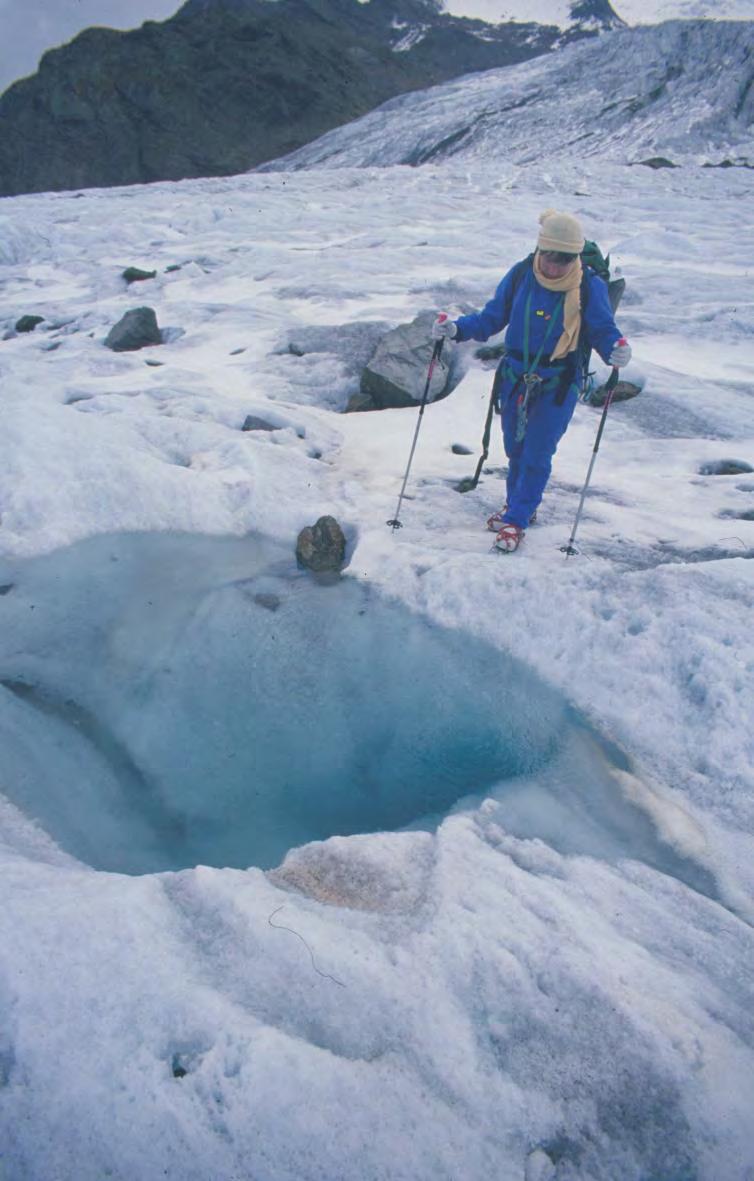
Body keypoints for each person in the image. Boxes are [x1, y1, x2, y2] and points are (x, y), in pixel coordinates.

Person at [432, 209, 631, 552]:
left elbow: (601, 329)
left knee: (538, 453)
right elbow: (492, 317)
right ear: (541, 250)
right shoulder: (522, 274)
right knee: (515, 449)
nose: (557, 265)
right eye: (552, 256)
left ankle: (517, 520)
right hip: (515, 379)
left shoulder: (588, 285)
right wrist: (457, 328)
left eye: (567, 258)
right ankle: (519, 506)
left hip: (559, 383)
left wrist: (616, 348)